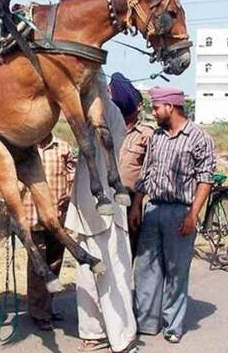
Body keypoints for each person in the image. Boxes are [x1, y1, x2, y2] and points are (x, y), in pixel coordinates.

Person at [130, 86, 216, 343]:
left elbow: (205, 180)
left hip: (181, 211)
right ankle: (146, 322)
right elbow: (146, 174)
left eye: (156, 108)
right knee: (145, 269)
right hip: (153, 209)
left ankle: (172, 326)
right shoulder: (156, 136)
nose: (153, 112)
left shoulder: (199, 138)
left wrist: (193, 214)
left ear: (171, 107)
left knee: (176, 271)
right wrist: (137, 205)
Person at [65, 75, 138, 353]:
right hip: (91, 207)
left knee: (106, 274)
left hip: (102, 208)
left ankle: (114, 336)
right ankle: (101, 334)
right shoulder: (96, 111)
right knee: (95, 275)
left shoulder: (106, 111)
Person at [20, 133, 75, 331]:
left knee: (54, 263)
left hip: (57, 219)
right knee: (38, 267)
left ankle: (47, 307)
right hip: (31, 216)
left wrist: (70, 193)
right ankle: (39, 313)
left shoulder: (63, 147)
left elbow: (72, 175)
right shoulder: (23, 147)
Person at [108, 72, 154, 258]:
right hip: (107, 197)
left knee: (127, 251)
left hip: (130, 200)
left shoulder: (147, 134)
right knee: (108, 249)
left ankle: (125, 287)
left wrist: (136, 206)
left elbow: (146, 174)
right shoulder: (109, 130)